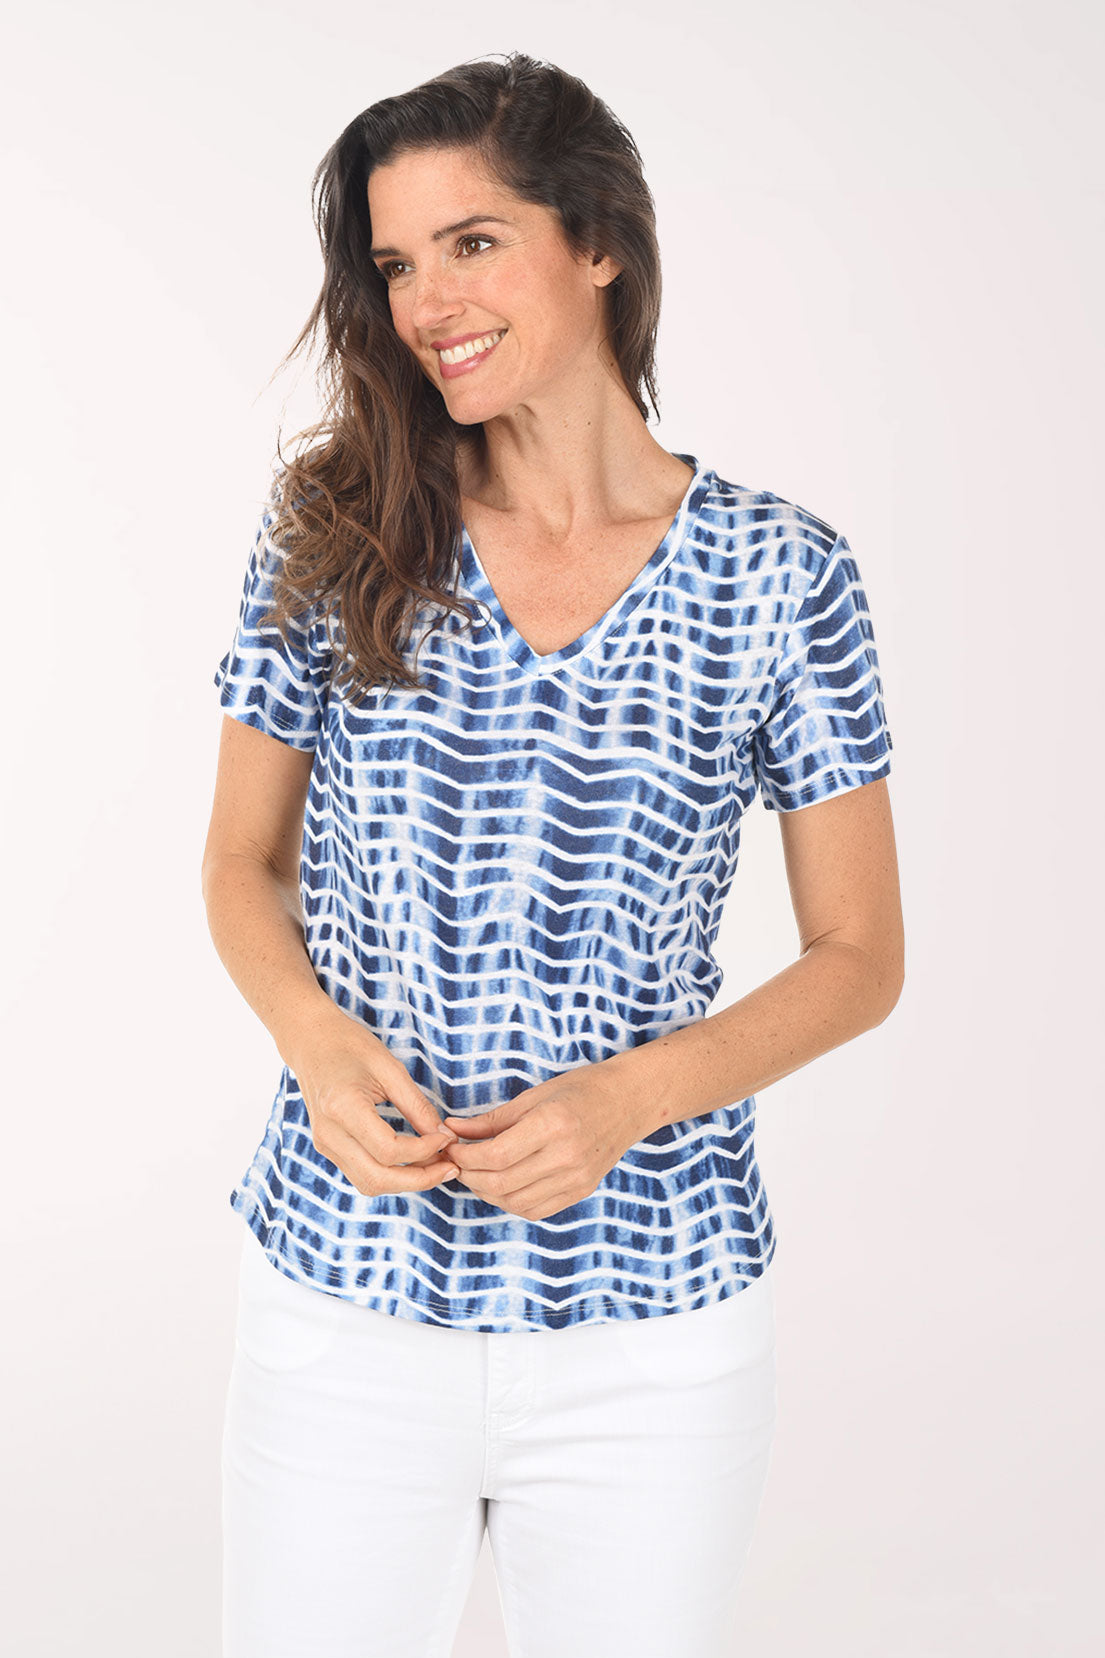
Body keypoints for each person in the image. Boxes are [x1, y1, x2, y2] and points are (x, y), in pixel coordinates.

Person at [202, 49, 904, 1658]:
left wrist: (624, 1099)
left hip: (653, 1317)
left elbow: (860, 952)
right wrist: (316, 1045)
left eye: (471, 242)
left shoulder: (781, 577)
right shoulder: (336, 525)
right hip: (346, 1287)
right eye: (391, 263)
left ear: (597, 241)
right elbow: (239, 864)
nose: (424, 299)